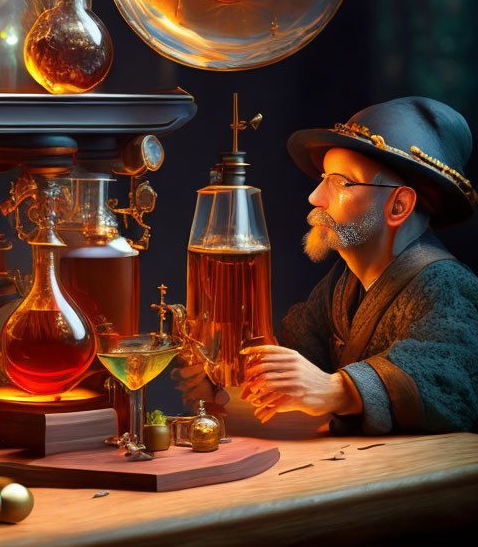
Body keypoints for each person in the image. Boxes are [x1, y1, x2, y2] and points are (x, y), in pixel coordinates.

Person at [174, 97, 478, 435]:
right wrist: (221, 378)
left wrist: (337, 389)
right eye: (323, 178)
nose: (316, 197)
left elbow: (451, 376)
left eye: (340, 182)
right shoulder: (340, 287)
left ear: (399, 206)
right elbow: (298, 364)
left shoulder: (448, 286)